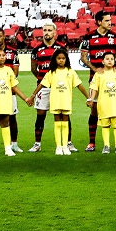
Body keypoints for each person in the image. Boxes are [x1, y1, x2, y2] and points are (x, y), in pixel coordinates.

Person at [31, 48, 89, 155]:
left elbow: (79, 85)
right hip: (55, 101)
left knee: (65, 122)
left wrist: (88, 97)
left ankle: (65, 146)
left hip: (66, 101)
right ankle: (59, 146)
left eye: (63, 58)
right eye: (59, 58)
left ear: (66, 59)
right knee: (57, 122)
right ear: (55, 60)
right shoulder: (51, 73)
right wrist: (33, 95)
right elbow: (42, 84)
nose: (61, 60)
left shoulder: (70, 72)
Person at [79, 11, 116, 151]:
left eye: (110, 20)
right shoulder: (89, 37)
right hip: (96, 80)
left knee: (115, 110)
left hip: (113, 80)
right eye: (107, 20)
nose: (110, 23)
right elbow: (83, 57)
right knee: (94, 111)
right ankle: (92, 142)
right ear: (99, 22)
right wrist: (95, 69)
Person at [29, 21, 71, 152]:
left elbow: (67, 66)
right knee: (40, 114)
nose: (46, 33)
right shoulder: (37, 49)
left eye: (49, 30)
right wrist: (44, 80)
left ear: (55, 32)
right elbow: (34, 69)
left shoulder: (61, 47)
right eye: (44, 30)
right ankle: (37, 143)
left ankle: (68, 143)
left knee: (63, 114)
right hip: (43, 87)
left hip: (59, 86)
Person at [86, 51, 116, 153]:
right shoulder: (98, 74)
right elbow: (94, 88)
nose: (110, 61)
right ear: (102, 61)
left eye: (112, 59)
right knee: (105, 125)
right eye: (107, 59)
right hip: (104, 105)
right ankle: (106, 146)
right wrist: (91, 99)